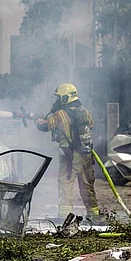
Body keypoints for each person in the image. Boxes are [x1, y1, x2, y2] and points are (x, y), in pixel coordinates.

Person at [35, 83, 100, 221]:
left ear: (65, 98)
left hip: (68, 157)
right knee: (87, 184)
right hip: (85, 154)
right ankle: (94, 215)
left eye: (59, 98)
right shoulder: (85, 111)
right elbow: (91, 125)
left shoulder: (60, 115)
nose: (57, 101)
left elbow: (44, 125)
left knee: (65, 184)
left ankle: (65, 216)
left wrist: (37, 119)